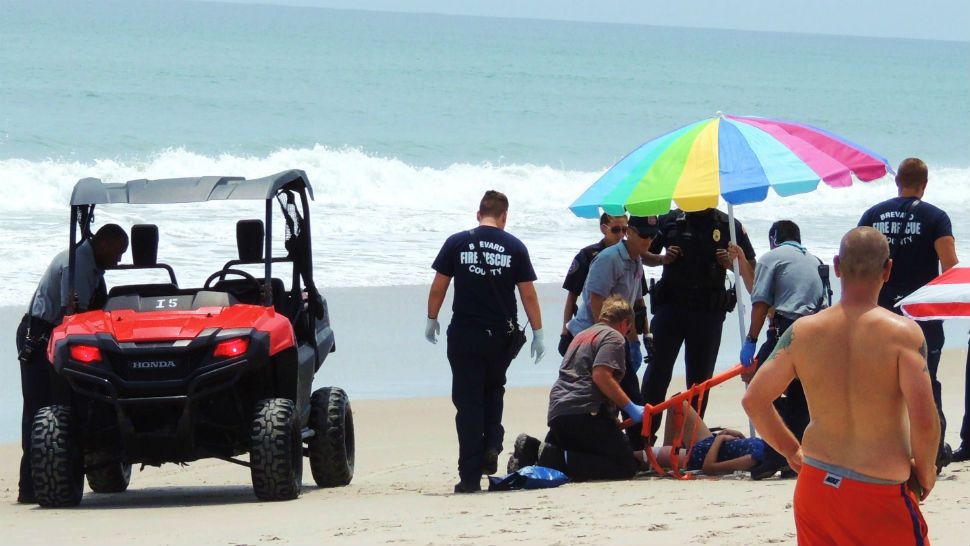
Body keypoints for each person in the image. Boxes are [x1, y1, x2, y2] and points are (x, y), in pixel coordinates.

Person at [743, 227, 938, 545]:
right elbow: (925, 420)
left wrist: (791, 450)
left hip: (817, 486)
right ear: (888, 270)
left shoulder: (802, 332)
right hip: (880, 491)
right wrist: (927, 473)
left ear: (835, 266)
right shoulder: (904, 334)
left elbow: (754, 400)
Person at [425, 190, 545, 494]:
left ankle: (469, 476)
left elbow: (440, 285)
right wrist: (538, 331)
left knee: (468, 404)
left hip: (465, 334)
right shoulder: (515, 247)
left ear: (479, 214)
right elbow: (527, 293)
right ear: (504, 216)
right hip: (500, 338)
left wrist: (431, 318)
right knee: (494, 390)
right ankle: (492, 442)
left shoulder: (457, 242)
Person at [16, 223, 129, 504]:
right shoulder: (77, 263)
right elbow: (76, 317)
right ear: (103, 244)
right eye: (118, 252)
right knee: (42, 408)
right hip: (40, 334)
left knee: (65, 403)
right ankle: (30, 486)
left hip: (54, 332)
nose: (120, 260)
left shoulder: (92, 266)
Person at [858, 157, 958, 467]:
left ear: (897, 181)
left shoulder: (872, 214)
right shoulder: (936, 217)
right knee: (926, 380)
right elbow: (950, 265)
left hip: (878, 312)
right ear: (924, 185)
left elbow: (856, 262)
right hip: (921, 312)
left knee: (879, 380)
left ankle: (879, 447)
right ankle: (933, 451)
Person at [641, 208, 755, 440]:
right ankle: (643, 438)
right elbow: (643, 254)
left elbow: (748, 265)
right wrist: (664, 258)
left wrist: (731, 263)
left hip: (708, 313)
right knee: (657, 374)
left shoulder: (729, 224)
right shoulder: (670, 219)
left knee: (700, 380)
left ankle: (689, 442)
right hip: (671, 309)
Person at [508, 296, 644, 481]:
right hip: (585, 414)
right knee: (625, 466)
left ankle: (533, 450)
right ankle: (555, 460)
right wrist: (631, 408)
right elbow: (601, 375)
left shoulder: (581, 336)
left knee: (584, 450)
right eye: (629, 329)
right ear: (626, 322)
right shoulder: (614, 337)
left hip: (558, 413)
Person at [739, 220, 828, 479]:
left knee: (761, 390)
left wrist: (751, 340)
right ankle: (795, 458)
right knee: (800, 394)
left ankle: (773, 455)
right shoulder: (814, 259)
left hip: (787, 331)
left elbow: (760, 302)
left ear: (774, 238)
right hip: (816, 332)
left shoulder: (772, 257)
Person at [564, 215, 658, 449]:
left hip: (617, 336)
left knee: (626, 393)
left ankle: (637, 448)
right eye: (644, 235)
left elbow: (633, 305)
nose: (648, 241)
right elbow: (596, 300)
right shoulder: (609, 259)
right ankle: (637, 449)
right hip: (592, 337)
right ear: (630, 232)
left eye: (653, 236)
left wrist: (637, 339)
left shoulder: (635, 261)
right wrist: (605, 338)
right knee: (601, 397)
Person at [559, 212, 629, 356]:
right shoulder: (587, 254)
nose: (621, 235)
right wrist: (565, 328)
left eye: (625, 230)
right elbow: (572, 294)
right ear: (604, 229)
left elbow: (637, 297)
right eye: (616, 230)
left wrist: (646, 334)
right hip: (587, 329)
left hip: (620, 327)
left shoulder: (631, 257)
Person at [653, 401, 768, 476]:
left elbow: (709, 467)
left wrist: (720, 440)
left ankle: (666, 457)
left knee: (644, 456)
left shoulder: (754, 458)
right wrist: (740, 437)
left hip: (697, 456)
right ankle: (667, 453)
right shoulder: (768, 446)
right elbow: (739, 449)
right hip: (709, 442)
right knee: (676, 403)